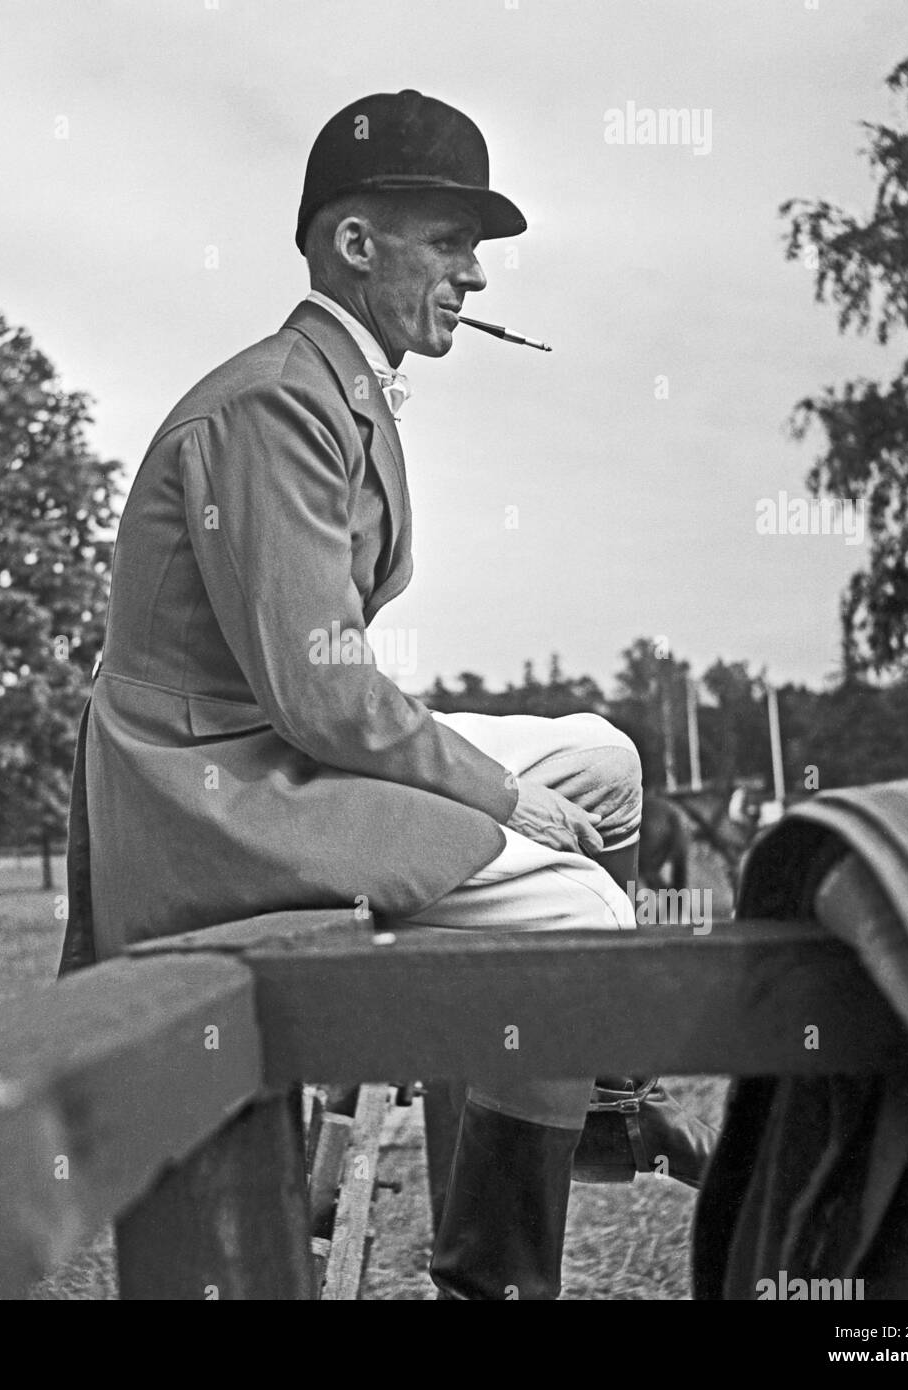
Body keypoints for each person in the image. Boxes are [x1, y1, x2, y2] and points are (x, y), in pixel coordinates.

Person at [61, 89, 710, 1301]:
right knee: (572, 905)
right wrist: (499, 796)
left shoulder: (341, 385)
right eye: (451, 241)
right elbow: (319, 687)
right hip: (212, 789)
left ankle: (595, 1098)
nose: (475, 275)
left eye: (477, 250)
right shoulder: (273, 398)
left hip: (274, 745)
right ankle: (493, 1281)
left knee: (604, 761)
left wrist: (509, 786)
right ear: (355, 246)